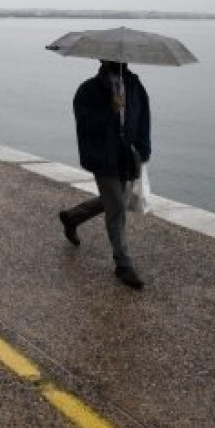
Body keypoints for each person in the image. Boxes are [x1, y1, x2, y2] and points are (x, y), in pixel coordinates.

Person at [58, 60, 151, 289]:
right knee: (117, 206)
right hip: (102, 157)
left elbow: (143, 117)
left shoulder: (135, 85)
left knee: (114, 200)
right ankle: (123, 264)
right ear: (101, 60)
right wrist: (110, 110)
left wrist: (144, 147)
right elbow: (85, 123)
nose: (119, 61)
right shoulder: (88, 89)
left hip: (127, 156)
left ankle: (73, 217)